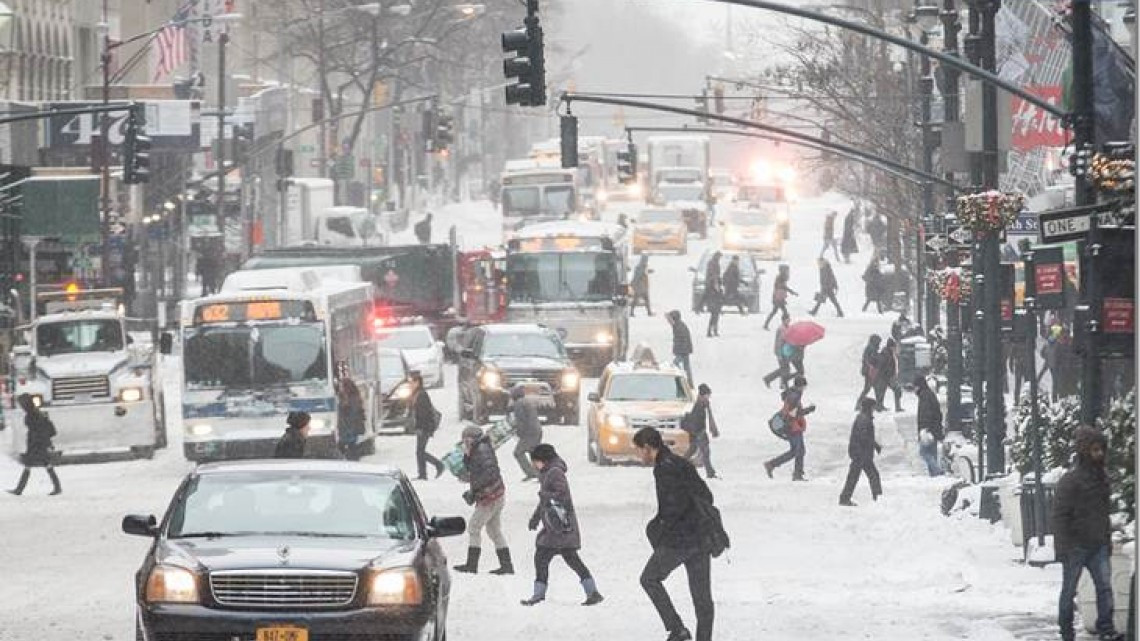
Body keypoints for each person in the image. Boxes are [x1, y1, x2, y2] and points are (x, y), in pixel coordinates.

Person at [633, 427, 716, 641]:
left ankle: (677, 629)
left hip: (679, 540)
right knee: (702, 598)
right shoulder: (682, 463)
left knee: (649, 579)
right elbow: (707, 495)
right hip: (701, 538)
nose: (639, 455)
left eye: (639, 450)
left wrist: (658, 528)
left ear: (649, 448)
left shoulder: (663, 468)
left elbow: (672, 508)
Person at [1053, 426, 1126, 641]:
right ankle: (1067, 631)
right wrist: (1062, 547)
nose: (1099, 454)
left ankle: (1106, 628)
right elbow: (1060, 515)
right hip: (1076, 545)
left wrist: (1106, 539)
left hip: (1098, 543)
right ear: (1085, 451)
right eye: (1094, 450)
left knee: (1104, 588)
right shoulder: (1070, 481)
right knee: (1069, 590)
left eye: (1101, 449)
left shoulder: (1102, 479)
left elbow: (1103, 513)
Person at [520, 444, 604, 607]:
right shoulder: (548, 472)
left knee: (543, 557)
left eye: (535, 461)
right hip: (557, 527)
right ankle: (592, 592)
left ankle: (539, 595)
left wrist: (545, 495)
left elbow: (561, 495)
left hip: (560, 527)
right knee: (570, 560)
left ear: (543, 460)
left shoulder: (555, 472)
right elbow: (545, 501)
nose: (533, 465)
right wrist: (536, 517)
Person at [454, 425, 512, 575]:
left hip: (490, 496)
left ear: (474, 438)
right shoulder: (479, 450)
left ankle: (471, 565)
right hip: (496, 494)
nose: (465, 443)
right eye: (463, 441)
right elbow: (473, 470)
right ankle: (507, 566)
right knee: (494, 530)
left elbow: (487, 474)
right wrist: (467, 455)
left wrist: (473, 491)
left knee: (474, 527)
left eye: (467, 440)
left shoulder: (481, 451)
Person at [7, 393, 61, 496]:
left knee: (30, 465)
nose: (21, 406)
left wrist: (38, 444)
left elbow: (38, 431)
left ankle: (19, 489)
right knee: (45, 464)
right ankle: (57, 486)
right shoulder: (36, 413)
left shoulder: (32, 415)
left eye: (22, 404)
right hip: (38, 443)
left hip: (36, 444)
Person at [764, 376, 815, 481]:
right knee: (798, 451)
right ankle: (796, 474)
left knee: (797, 451)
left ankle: (772, 465)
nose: (804, 389)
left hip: (792, 426)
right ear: (801, 386)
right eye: (804, 386)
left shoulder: (792, 393)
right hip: (792, 427)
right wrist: (809, 410)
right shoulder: (795, 396)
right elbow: (793, 414)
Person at [838, 398, 883, 506]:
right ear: (870, 407)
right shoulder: (864, 419)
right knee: (869, 475)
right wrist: (874, 445)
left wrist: (875, 445)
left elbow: (866, 436)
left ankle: (845, 498)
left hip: (860, 452)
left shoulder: (863, 417)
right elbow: (864, 437)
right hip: (861, 453)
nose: (874, 409)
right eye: (873, 407)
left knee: (859, 476)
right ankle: (878, 497)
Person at [410, 372, 444, 480]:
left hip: (425, 427)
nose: (411, 384)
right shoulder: (416, 394)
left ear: (418, 382)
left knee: (420, 451)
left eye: (413, 382)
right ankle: (423, 474)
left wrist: (421, 427)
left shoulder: (422, 395)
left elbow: (424, 413)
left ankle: (438, 465)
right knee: (420, 451)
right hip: (422, 427)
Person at [682, 384, 719, 479]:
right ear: (703, 395)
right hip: (699, 433)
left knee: (692, 451)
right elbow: (696, 421)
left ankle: (677, 466)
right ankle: (710, 473)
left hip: (697, 433)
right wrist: (699, 433)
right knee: (705, 453)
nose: (709, 397)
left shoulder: (703, 404)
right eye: (708, 395)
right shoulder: (699, 405)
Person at [508, 386, 543, 481]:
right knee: (533, 452)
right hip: (537, 430)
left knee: (518, 452)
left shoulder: (518, 404)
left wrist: (519, 432)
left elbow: (521, 420)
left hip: (529, 432)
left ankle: (532, 473)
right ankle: (540, 474)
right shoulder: (527, 402)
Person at [914, 375, 943, 477]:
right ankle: (934, 475)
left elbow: (925, 414)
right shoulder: (929, 394)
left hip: (928, 428)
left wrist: (924, 428)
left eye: (915, 386)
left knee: (924, 452)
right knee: (932, 452)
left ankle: (937, 471)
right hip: (934, 428)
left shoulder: (924, 396)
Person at [336, 377, 366, 461]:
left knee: (348, 447)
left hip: (350, 428)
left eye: (341, 386)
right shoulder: (344, 397)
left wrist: (348, 429)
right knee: (349, 447)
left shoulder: (352, 399)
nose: (340, 388)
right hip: (346, 428)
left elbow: (353, 415)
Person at [763, 264, 797, 330]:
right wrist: (791, 291)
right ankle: (785, 325)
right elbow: (781, 287)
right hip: (778, 298)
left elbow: (783, 287)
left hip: (779, 298)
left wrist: (791, 292)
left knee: (777, 312)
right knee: (784, 312)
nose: (788, 272)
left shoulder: (781, 278)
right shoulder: (780, 278)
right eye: (787, 271)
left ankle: (767, 324)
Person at [762, 314, 792, 389]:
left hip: (785, 351)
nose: (789, 321)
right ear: (783, 320)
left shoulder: (786, 328)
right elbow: (779, 342)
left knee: (785, 368)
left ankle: (781, 383)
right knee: (785, 368)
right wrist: (779, 354)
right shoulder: (781, 329)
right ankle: (769, 379)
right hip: (782, 352)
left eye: (789, 320)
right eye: (787, 320)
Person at [873, 338, 903, 412]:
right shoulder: (886, 354)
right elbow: (883, 366)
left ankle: (880, 406)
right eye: (894, 346)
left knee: (890, 390)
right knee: (884, 391)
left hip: (887, 376)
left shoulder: (888, 352)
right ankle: (880, 406)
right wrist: (889, 375)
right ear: (891, 346)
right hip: (885, 377)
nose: (895, 348)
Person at [855, 334, 882, 409]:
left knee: (875, 388)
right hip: (869, 371)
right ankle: (859, 403)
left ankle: (878, 404)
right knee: (869, 388)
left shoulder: (872, 348)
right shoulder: (870, 349)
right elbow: (868, 359)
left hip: (871, 371)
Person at [667, 310, 694, 385]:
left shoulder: (679, 327)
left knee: (675, 365)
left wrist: (679, 351)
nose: (668, 322)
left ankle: (681, 380)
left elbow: (682, 340)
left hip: (683, 351)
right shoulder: (677, 325)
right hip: (684, 350)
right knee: (686, 367)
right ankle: (689, 382)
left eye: (670, 319)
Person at [703, 253, 723, 337]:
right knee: (715, 313)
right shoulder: (713, 264)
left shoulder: (712, 263)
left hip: (712, 290)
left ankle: (713, 330)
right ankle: (711, 330)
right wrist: (716, 285)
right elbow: (714, 276)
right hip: (713, 292)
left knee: (715, 313)